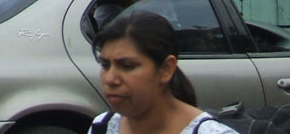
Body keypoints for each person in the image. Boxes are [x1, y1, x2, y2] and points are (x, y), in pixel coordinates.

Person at [89, 10, 238, 134]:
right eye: (105, 65)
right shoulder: (103, 125)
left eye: (127, 66)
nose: (111, 79)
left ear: (166, 69)